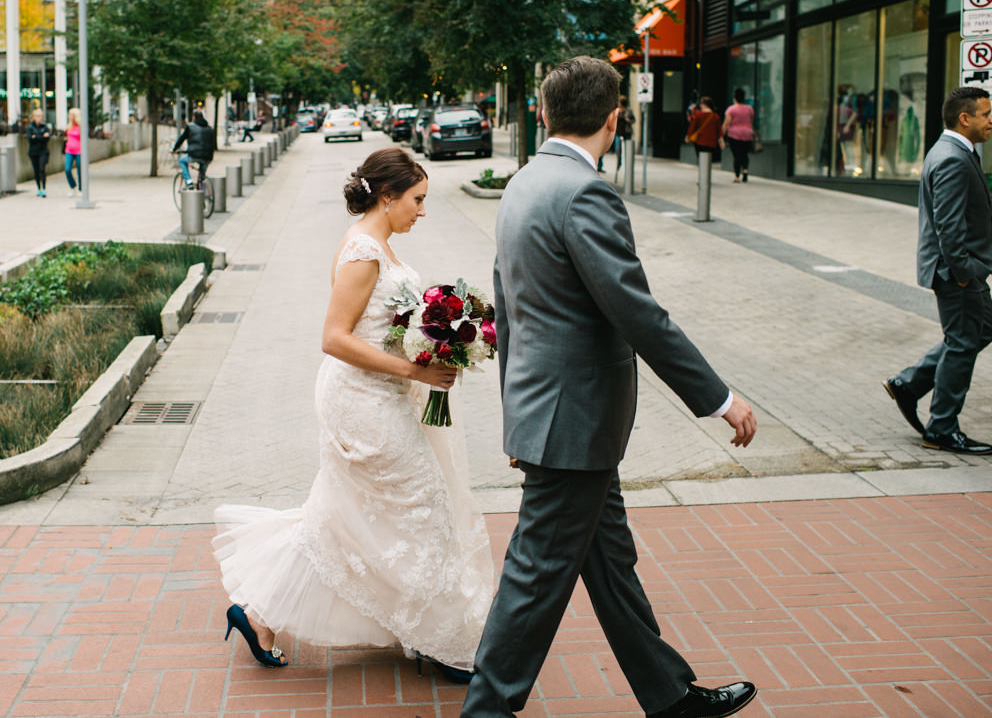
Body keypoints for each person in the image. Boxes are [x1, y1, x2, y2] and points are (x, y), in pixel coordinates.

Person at [462, 56, 758, 718]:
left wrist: (518, 419)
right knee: (535, 580)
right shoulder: (585, 192)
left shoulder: (525, 183)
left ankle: (670, 695)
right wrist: (717, 397)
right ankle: (485, 711)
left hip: (560, 421)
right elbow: (636, 312)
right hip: (575, 424)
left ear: (542, 113)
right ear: (616, 118)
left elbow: (510, 314)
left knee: (611, 567)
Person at [212, 147, 494, 682]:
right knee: (424, 506)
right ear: (387, 197)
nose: (422, 211)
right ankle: (435, 638)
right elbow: (333, 338)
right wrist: (416, 371)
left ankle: (259, 615)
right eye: (417, 200)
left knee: (345, 517)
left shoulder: (380, 246)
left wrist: (437, 340)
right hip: (363, 403)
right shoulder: (364, 251)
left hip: (381, 396)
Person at [883, 86, 992, 456]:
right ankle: (942, 428)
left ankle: (909, 383)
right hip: (956, 272)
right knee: (964, 342)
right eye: (985, 114)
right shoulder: (952, 157)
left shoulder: (954, 150)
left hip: (962, 269)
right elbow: (948, 226)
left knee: (982, 330)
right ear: (964, 118)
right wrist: (964, 272)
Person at [172, 111, 215, 187]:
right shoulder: (209, 128)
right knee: (202, 176)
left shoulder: (190, 127)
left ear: (194, 117)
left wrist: (174, 149)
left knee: (182, 161)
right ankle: (203, 193)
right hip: (208, 156)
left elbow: (182, 139)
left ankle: (189, 182)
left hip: (195, 154)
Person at [720, 88, 756, 183]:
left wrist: (721, 135)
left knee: (737, 155)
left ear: (734, 98)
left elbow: (726, 123)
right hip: (748, 134)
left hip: (734, 135)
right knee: (744, 154)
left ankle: (737, 176)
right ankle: (745, 170)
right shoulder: (749, 109)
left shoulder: (731, 109)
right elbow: (752, 121)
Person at [26, 108, 53, 198]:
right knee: (36, 170)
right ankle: (39, 188)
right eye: (37, 116)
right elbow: (30, 139)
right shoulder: (30, 128)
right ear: (34, 117)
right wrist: (41, 136)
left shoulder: (44, 127)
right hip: (33, 152)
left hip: (43, 151)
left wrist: (36, 137)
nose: (39, 118)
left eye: (41, 116)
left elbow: (47, 139)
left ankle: (44, 189)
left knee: (42, 168)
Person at [611, 95, 634, 180]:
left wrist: (629, 120)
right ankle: (619, 163)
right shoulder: (616, 111)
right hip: (618, 132)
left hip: (626, 132)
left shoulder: (629, 110)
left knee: (628, 150)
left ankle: (627, 164)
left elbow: (633, 120)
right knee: (618, 149)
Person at [63, 108, 82, 194]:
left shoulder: (81, 126)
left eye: (70, 115)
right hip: (69, 150)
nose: (69, 117)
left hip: (79, 151)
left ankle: (81, 189)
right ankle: (73, 187)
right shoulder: (69, 126)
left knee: (80, 170)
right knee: (67, 169)